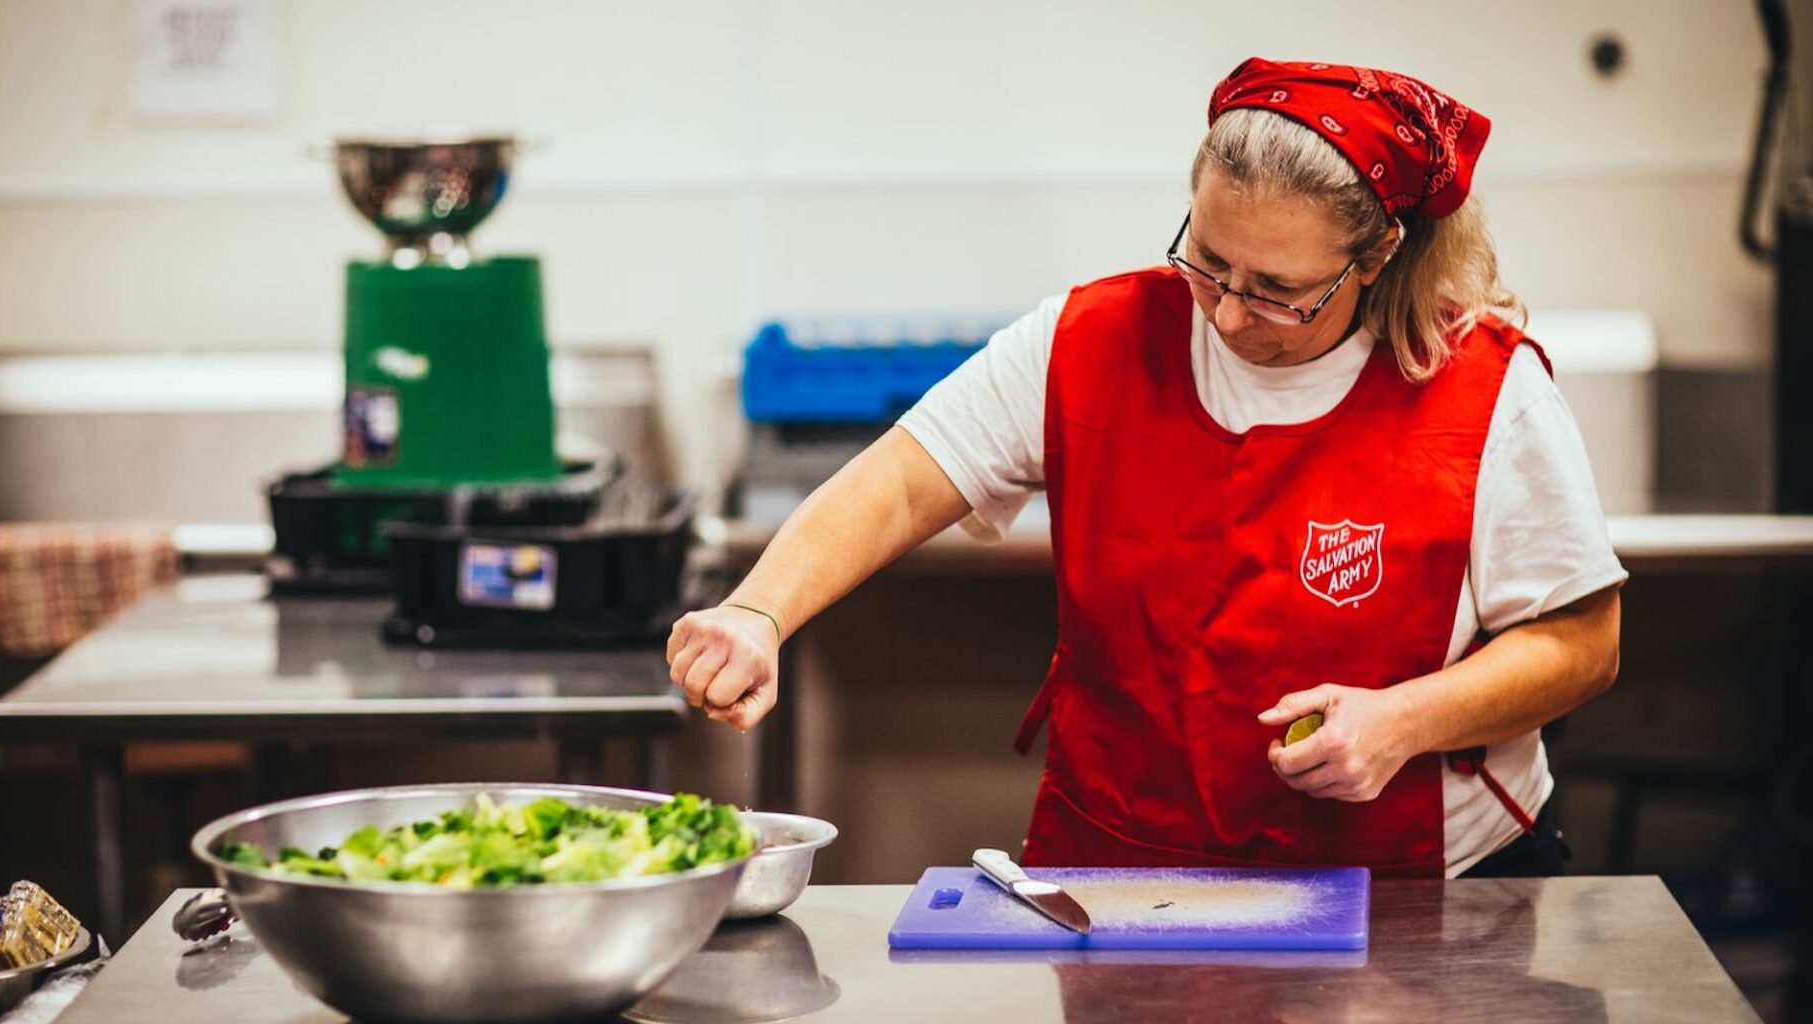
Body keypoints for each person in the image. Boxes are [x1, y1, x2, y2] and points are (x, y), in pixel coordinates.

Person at [667, 57, 1624, 878]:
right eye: (1207, 261)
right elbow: (904, 478)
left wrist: (1406, 720)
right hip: (1126, 879)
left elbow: (1583, 643)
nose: (1230, 313)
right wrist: (760, 611)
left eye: (1281, 291)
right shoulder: (1092, 342)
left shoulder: (1482, 393)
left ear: (1378, 256)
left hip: (1420, 887)